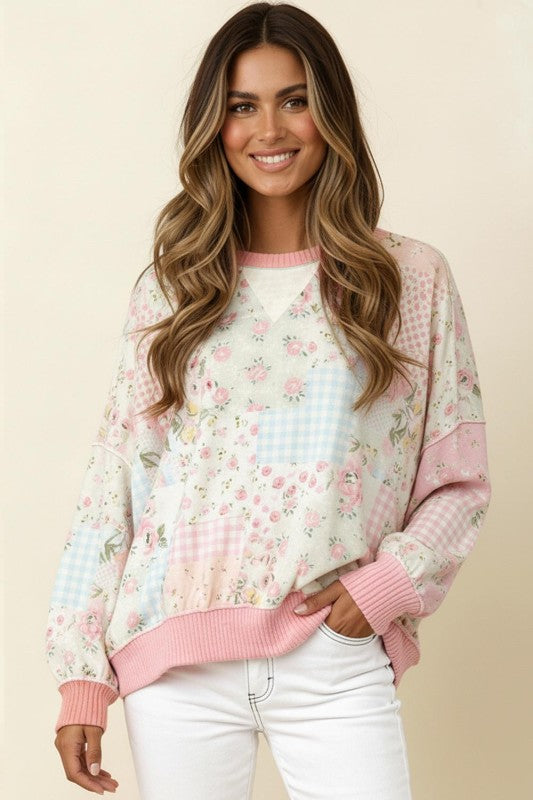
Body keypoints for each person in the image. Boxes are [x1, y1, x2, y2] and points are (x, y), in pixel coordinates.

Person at [45, 3, 492, 798]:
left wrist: (382, 588)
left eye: (294, 100)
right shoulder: (172, 291)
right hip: (176, 665)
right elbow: (115, 485)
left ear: (331, 114)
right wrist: (82, 677)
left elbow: (457, 480)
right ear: (213, 126)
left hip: (331, 653)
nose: (269, 129)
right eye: (241, 106)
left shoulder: (407, 280)